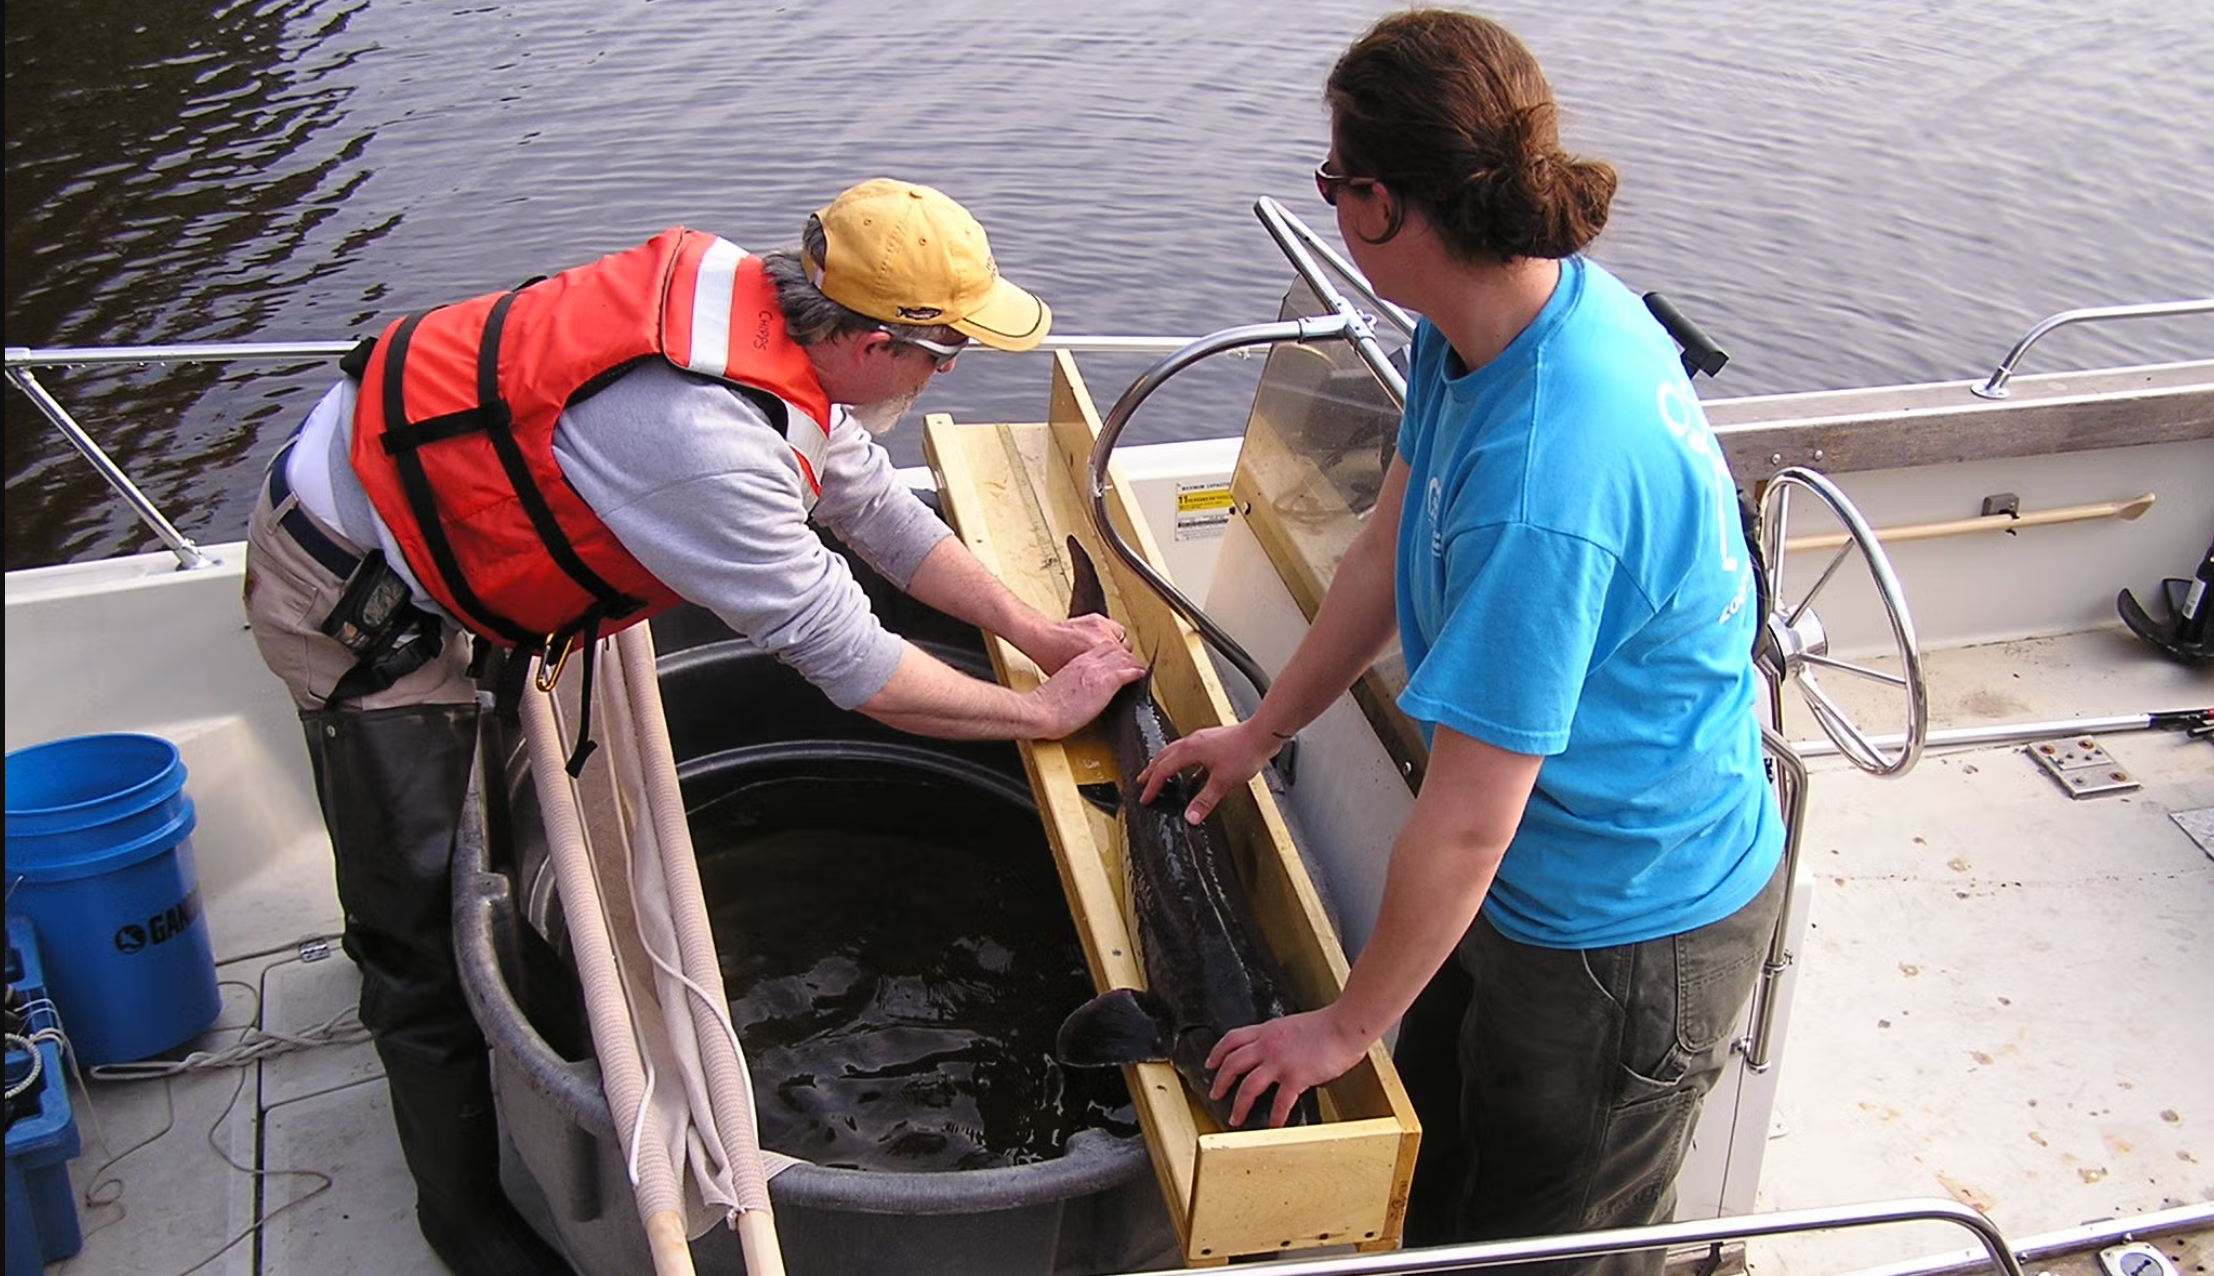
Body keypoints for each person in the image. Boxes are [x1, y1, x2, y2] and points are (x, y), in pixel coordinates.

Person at [241, 178, 1143, 1275]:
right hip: (353, 598)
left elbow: (870, 508)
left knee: (460, 828)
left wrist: (1034, 628)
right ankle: (463, 1222)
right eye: (937, 356)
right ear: (863, 338)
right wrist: (1039, 714)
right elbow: (857, 666)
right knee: (420, 931)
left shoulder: (762, 320)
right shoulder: (702, 443)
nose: (942, 376)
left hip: (441, 516)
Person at [1135, 13, 1785, 1273]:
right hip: (1532, 885)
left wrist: (1341, 1030)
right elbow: (1385, 548)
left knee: (1553, 1248)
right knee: (1449, 1196)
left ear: (1381, 207)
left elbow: (1472, 816)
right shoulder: (1484, 328)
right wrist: (1261, 729)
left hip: (1626, 929)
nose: (1329, 209)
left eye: (1333, 184)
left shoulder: (1550, 474)